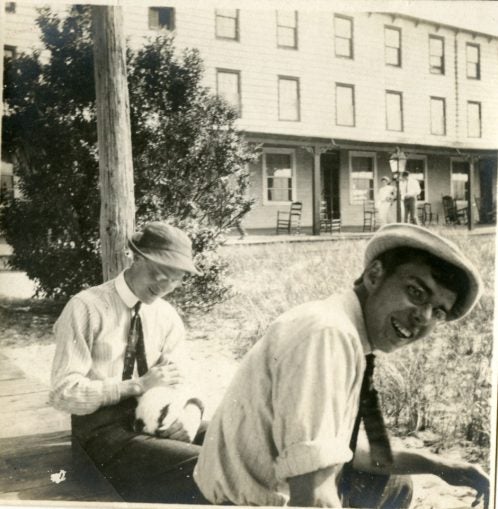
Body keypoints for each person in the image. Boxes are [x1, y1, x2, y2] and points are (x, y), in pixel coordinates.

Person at [194, 223, 489, 508]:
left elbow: (339, 449)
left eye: (438, 311)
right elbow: (312, 496)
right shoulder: (327, 335)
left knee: (397, 485)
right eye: (416, 292)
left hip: (253, 491)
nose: (423, 318)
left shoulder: (344, 328)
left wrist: (439, 466)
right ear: (374, 275)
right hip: (239, 502)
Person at [50, 221, 211, 504]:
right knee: (205, 467)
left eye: (176, 279)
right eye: (159, 273)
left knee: (237, 441)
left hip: (153, 424)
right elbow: (64, 393)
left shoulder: (166, 316)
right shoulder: (86, 308)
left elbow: (181, 377)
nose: (165, 286)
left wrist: (191, 412)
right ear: (135, 258)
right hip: (102, 435)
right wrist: (135, 386)